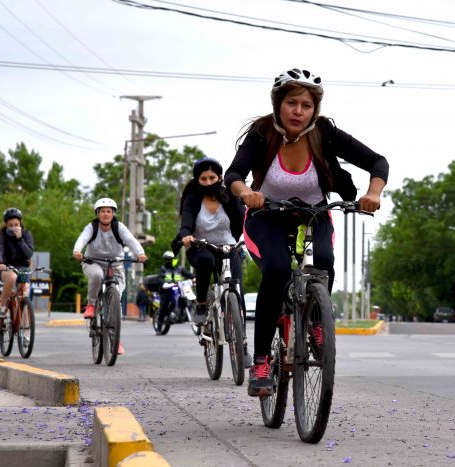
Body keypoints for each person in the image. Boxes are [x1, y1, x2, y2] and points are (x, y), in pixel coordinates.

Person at [224, 68, 389, 397]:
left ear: (315, 109)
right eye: (291, 103)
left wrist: (373, 193)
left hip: (314, 214)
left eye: (306, 105)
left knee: (324, 264)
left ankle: (315, 319)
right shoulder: (261, 133)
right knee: (277, 271)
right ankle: (259, 363)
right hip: (267, 215)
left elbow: (377, 161)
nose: (298, 111)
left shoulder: (324, 133)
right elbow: (234, 173)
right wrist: (245, 193)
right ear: (278, 104)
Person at [172, 157, 245, 327]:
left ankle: (242, 344)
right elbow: (186, 225)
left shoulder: (230, 196)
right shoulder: (192, 199)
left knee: (236, 287)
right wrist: (186, 236)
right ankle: (201, 304)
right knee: (206, 261)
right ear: (197, 180)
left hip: (228, 246)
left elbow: (243, 220)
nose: (208, 182)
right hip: (200, 246)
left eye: (212, 178)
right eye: (203, 179)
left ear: (219, 178)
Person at [72, 198, 147, 355]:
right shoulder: (92, 227)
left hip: (115, 263)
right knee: (98, 276)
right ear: (97, 213)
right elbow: (82, 239)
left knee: (117, 296)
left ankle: (115, 340)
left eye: (109, 211)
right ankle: (92, 305)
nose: (106, 214)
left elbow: (131, 240)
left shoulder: (118, 227)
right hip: (93, 262)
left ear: (113, 213)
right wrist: (77, 251)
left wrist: (140, 253)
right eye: (102, 211)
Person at [0, 208, 35, 319]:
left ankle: (25, 330)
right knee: (12, 277)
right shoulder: (2, 236)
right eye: (10, 225)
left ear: (20, 223)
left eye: (16, 224)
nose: (14, 227)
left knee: (24, 295)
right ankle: (3, 307)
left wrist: (19, 239)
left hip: (23, 268)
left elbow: (29, 254)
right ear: (6, 225)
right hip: (6, 268)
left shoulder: (26, 235)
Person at [155, 251, 194, 333]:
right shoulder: (163, 269)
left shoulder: (179, 268)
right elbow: (159, 278)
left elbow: (189, 274)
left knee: (187, 298)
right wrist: (164, 283)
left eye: (169, 259)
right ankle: (159, 326)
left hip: (179, 289)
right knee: (164, 306)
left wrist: (195, 278)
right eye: (166, 259)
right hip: (166, 290)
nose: (168, 261)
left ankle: (182, 313)